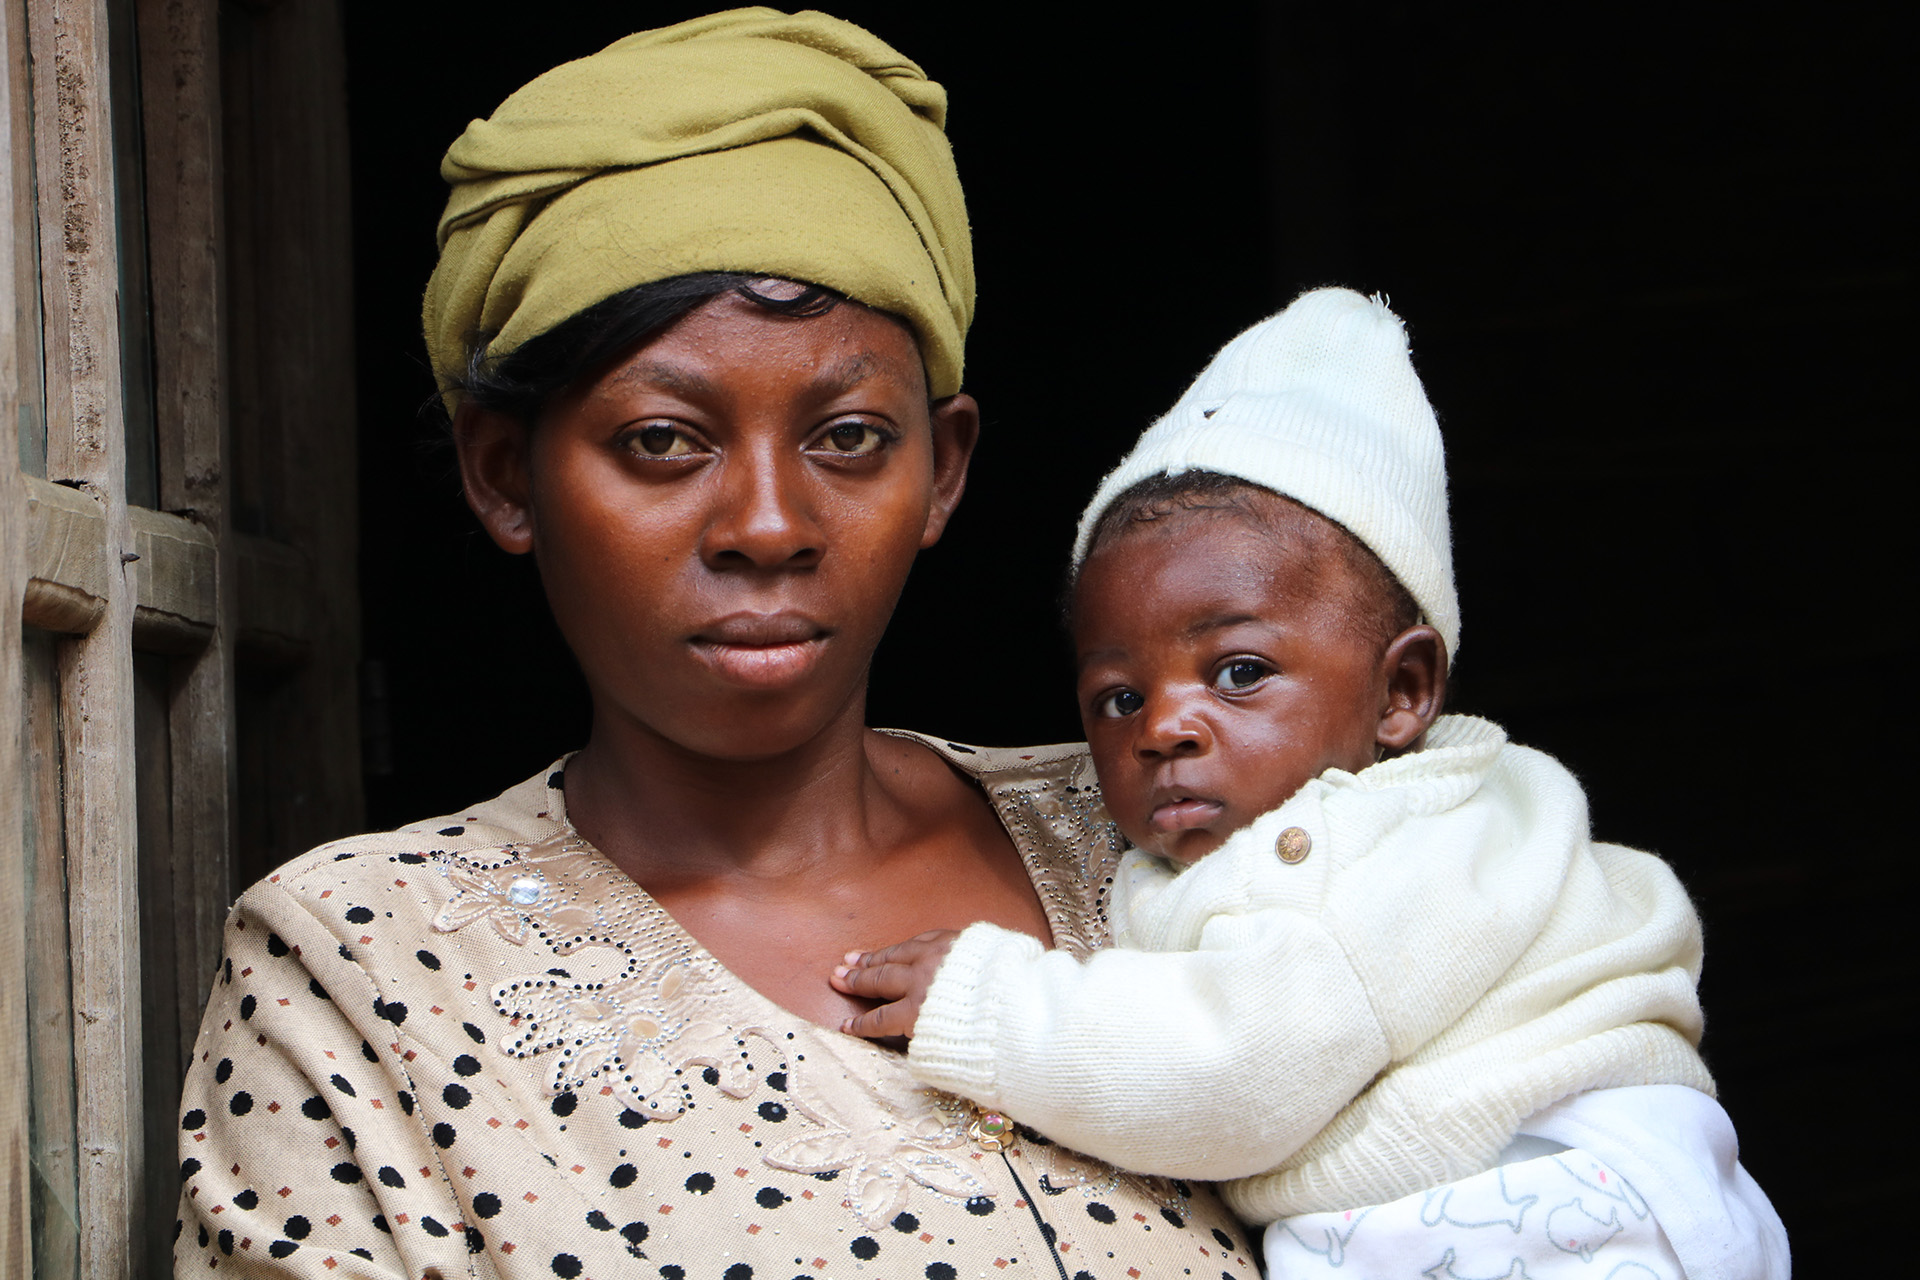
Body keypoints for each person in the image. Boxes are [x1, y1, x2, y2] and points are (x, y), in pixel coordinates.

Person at [171, 11, 1261, 1275]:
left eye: (849, 436)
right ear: (504, 473)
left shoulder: (1177, 835)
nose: (768, 524)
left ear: (945, 469)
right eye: (662, 441)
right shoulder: (365, 972)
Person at [831, 288, 1791, 1279]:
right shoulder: (1423, 810)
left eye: (1240, 671)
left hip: (1549, 1209)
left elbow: (1235, 1073)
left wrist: (988, 1001)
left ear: (1403, 690)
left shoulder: (1360, 859)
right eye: (1117, 696)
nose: (1165, 725)